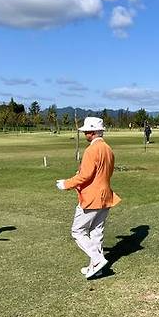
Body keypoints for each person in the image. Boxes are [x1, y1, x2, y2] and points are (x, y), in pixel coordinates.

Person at [56, 117, 121, 279]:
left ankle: (98, 260)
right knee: (96, 232)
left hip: (92, 197)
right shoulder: (108, 149)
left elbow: (85, 176)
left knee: (77, 231)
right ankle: (95, 267)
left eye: (86, 131)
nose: (85, 134)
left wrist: (66, 183)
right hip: (106, 195)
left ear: (92, 132)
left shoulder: (92, 150)